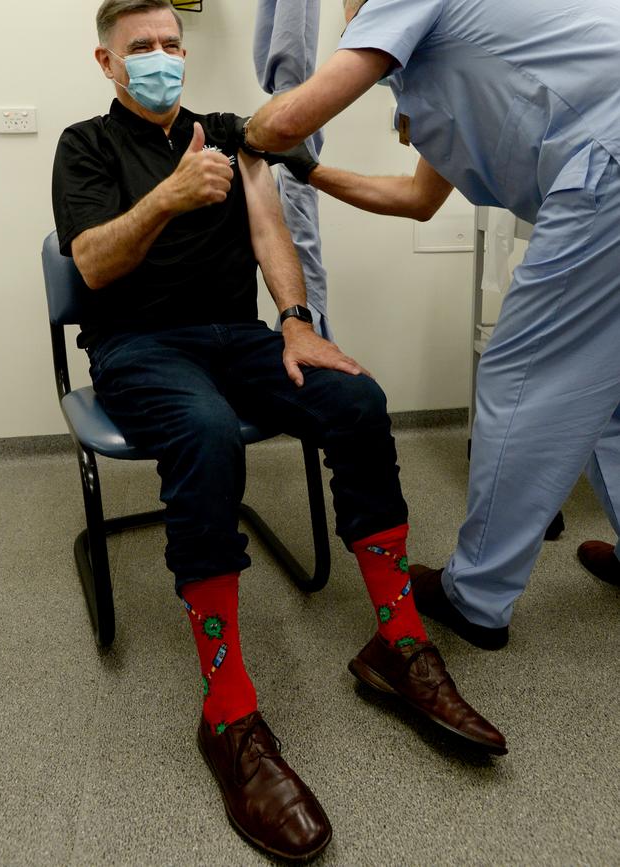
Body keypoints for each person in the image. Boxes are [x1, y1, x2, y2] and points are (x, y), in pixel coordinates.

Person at [52, 0, 506, 860]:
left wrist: (297, 319)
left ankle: (398, 640)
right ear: (107, 64)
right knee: (208, 432)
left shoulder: (229, 132)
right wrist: (169, 196)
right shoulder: (85, 145)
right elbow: (92, 263)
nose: (160, 59)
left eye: (170, 46)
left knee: (357, 401)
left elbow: (268, 228)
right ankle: (227, 714)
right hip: (138, 347)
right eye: (139, 48)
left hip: (239, 337)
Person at [242, 0, 620, 652]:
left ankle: (475, 596)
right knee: (608, 392)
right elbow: (417, 201)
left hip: (606, 170)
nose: (348, 14)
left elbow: (295, 115)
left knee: (519, 375)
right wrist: (308, 170)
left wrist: (242, 134)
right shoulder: (453, 65)